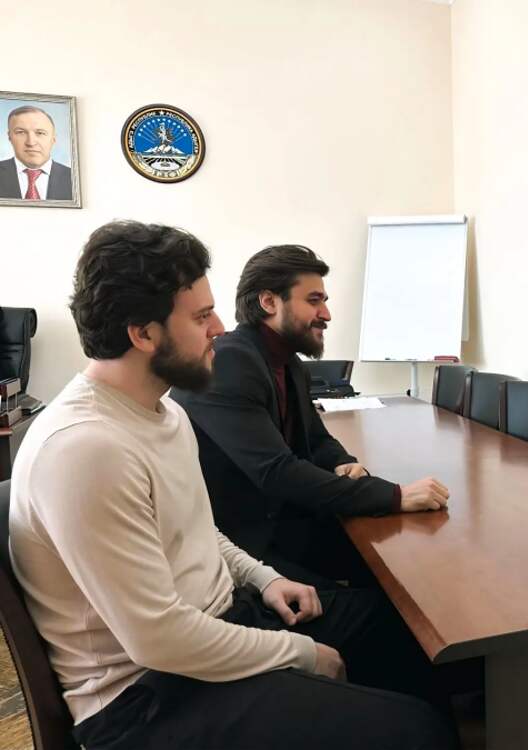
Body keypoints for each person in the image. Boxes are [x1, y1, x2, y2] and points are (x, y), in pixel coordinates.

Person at [8, 221, 455, 750]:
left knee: (400, 633)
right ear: (143, 334)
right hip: (146, 696)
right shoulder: (84, 449)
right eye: (201, 317)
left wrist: (264, 578)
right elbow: (159, 640)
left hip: (218, 622)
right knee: (415, 731)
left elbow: (198, 530)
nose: (220, 327)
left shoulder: (165, 413)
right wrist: (301, 653)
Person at [171, 244, 449, 587]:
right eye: (314, 300)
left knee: (405, 569)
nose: (326, 314)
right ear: (269, 302)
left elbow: (317, 440)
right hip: (242, 546)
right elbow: (277, 472)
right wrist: (395, 496)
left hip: (283, 522)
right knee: (383, 595)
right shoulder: (230, 362)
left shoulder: (290, 365)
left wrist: (342, 462)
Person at [0, 105, 73, 200]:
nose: (31, 142)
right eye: (21, 132)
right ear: (10, 137)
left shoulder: (74, 178)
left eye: (40, 133)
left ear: (53, 138)